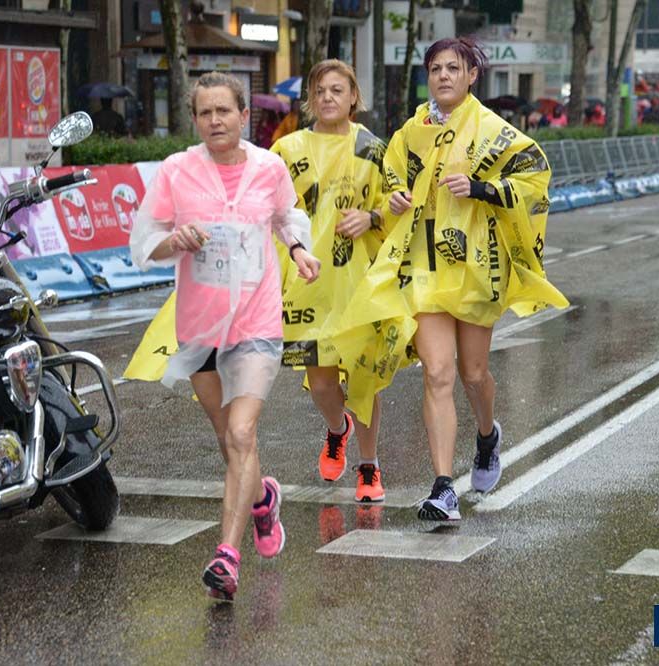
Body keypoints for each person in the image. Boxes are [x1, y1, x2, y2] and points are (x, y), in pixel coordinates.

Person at [328, 37, 569, 522]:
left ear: (471, 74)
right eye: (435, 68)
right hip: (424, 268)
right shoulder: (410, 133)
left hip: (476, 268)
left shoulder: (493, 130)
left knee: (472, 374)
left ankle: (487, 436)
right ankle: (443, 487)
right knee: (437, 372)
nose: (443, 76)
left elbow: (534, 177)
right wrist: (394, 200)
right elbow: (392, 178)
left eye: (453, 68)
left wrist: (481, 188)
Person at [129, 71, 321, 601]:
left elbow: (287, 217)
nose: (215, 120)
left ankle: (226, 556)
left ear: (243, 115)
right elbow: (144, 242)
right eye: (204, 113)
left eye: (224, 111)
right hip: (200, 326)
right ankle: (262, 501)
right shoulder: (176, 172)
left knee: (242, 434)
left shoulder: (269, 167)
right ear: (194, 120)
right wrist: (175, 240)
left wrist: (300, 250)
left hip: (256, 321)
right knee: (228, 440)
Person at [270, 59, 389, 502]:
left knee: (363, 380)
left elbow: (398, 208)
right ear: (310, 99)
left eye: (337, 90)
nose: (327, 98)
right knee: (322, 383)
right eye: (320, 91)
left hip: (358, 282)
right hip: (307, 282)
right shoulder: (288, 149)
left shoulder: (372, 149)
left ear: (354, 97)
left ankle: (369, 467)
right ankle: (337, 429)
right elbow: (272, 209)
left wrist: (372, 215)